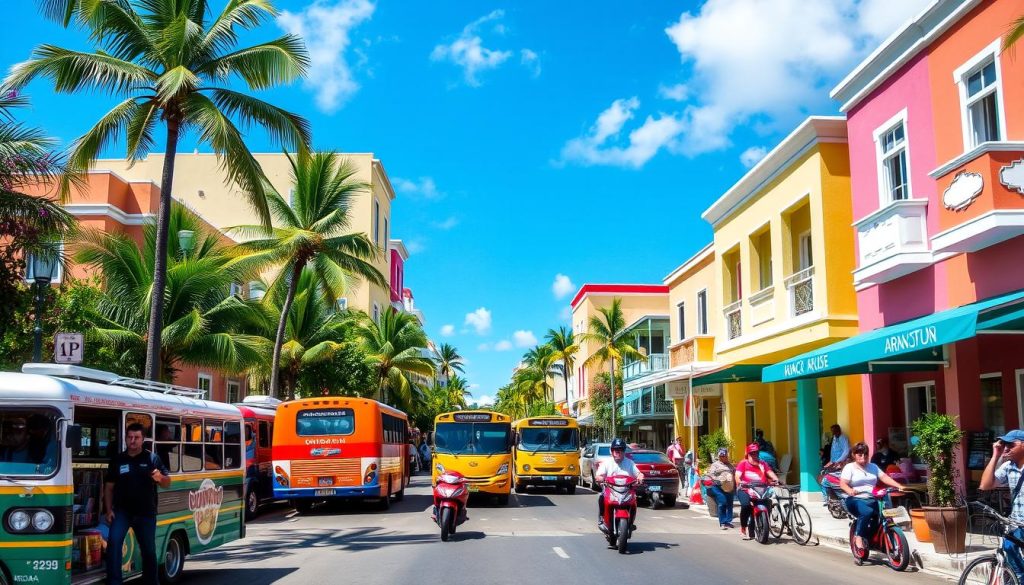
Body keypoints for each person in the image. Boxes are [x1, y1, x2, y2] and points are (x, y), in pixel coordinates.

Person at [104, 423, 171, 585]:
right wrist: (108, 510)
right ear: (126, 438)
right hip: (122, 512)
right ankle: (114, 582)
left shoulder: (152, 458)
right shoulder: (118, 460)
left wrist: (160, 478)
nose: (132, 441)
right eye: (129, 437)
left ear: (143, 440)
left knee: (148, 550)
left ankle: (151, 582)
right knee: (113, 544)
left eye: (136, 437)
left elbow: (167, 482)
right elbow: (109, 487)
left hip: (145, 513)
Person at [839, 441, 905, 551]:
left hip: (872, 498)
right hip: (855, 499)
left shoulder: (873, 467)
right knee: (867, 513)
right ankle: (859, 537)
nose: (863, 458)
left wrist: (899, 486)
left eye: (865, 455)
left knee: (882, 516)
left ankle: (872, 540)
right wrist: (850, 490)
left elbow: (884, 477)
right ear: (854, 455)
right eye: (860, 455)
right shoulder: (849, 467)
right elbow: (843, 484)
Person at [980, 429, 1024, 579]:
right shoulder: (1008, 466)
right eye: (1004, 444)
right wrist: (996, 455)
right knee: (1009, 551)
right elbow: (986, 485)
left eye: (1011, 445)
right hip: (1016, 523)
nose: (1006, 448)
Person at [594, 438, 645, 533]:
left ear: (624, 451)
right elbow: (598, 475)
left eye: (620, 450)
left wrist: (640, 477)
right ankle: (601, 520)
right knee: (601, 497)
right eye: (616, 450)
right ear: (612, 451)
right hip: (610, 490)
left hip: (626, 491)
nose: (618, 453)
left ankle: (630, 523)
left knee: (634, 500)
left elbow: (638, 473)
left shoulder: (629, 463)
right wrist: (599, 478)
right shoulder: (607, 463)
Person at [734, 443, 779, 539]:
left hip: (761, 489)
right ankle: (743, 528)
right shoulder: (743, 463)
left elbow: (769, 472)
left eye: (756, 453)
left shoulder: (763, 463)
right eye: (752, 453)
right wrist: (740, 482)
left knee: (768, 503)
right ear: (748, 455)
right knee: (746, 506)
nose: (755, 455)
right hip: (745, 489)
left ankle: (762, 526)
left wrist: (776, 480)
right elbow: (737, 476)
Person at [704, 447, 736, 529]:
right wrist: (717, 479)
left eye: (724, 456)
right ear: (719, 456)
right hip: (718, 486)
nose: (723, 457)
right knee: (722, 502)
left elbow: (734, 474)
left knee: (729, 504)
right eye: (721, 456)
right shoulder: (715, 465)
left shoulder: (730, 465)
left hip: (729, 487)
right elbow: (710, 474)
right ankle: (722, 522)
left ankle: (728, 521)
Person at [821, 424, 851, 500]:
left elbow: (846, 451)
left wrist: (838, 461)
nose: (834, 433)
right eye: (832, 432)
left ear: (839, 430)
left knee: (828, 479)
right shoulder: (834, 438)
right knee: (824, 476)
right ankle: (829, 498)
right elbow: (833, 451)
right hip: (833, 463)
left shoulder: (843, 438)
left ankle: (828, 499)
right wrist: (831, 461)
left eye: (835, 431)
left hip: (840, 464)